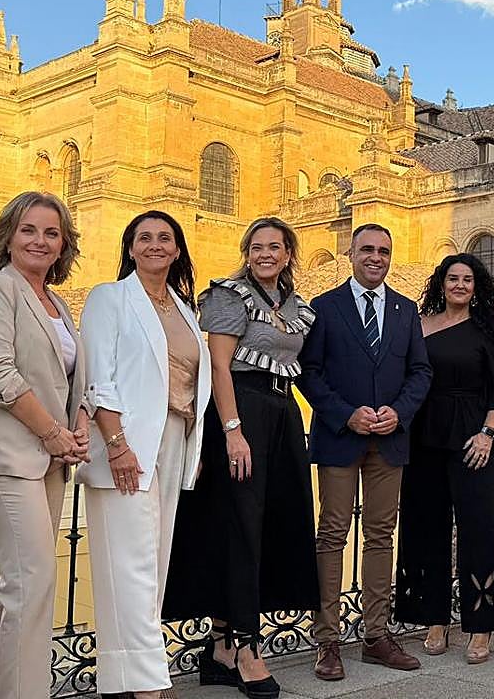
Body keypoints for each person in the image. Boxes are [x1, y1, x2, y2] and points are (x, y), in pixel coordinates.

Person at [165, 217, 318, 699]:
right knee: (240, 525)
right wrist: (232, 430)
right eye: (256, 246)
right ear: (246, 252)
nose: (265, 253)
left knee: (267, 524)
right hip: (243, 410)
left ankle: (220, 648)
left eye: (274, 246)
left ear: (288, 253)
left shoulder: (293, 305)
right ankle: (247, 648)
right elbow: (219, 365)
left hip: (282, 411)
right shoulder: (230, 296)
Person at [0, 192, 91, 698]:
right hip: (8, 454)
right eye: (29, 230)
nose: (40, 240)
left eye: (51, 233)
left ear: (64, 245)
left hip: (49, 460)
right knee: (32, 580)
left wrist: (76, 424)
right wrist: (53, 433)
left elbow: (72, 375)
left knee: (17, 584)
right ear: (8, 237)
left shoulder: (56, 302)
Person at [78, 210, 211, 699]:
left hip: (173, 439)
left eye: (165, 238)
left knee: (155, 561)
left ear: (177, 250)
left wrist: (192, 444)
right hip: (127, 442)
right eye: (144, 237)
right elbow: (99, 377)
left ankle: (128, 675)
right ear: (130, 248)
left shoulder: (182, 307)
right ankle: (149, 681)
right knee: (130, 560)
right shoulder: (109, 299)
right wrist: (115, 445)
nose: (155, 245)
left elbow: (192, 384)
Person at [298, 223, 432, 681]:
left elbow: (420, 372)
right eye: (367, 250)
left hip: (390, 440)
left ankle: (376, 635)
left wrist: (400, 412)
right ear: (351, 254)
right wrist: (345, 414)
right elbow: (309, 372)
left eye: (383, 251)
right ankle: (327, 640)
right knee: (332, 534)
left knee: (381, 535)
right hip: (341, 436)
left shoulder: (405, 309)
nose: (376, 257)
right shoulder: (325, 307)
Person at [393, 254, 494, 664]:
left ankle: (480, 626)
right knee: (426, 525)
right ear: (441, 283)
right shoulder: (420, 324)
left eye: (467, 279)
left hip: (472, 439)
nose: (460, 285)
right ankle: (434, 618)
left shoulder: (485, 333)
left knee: (478, 528)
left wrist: (487, 435)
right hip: (425, 437)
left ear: (476, 286)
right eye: (453, 278)